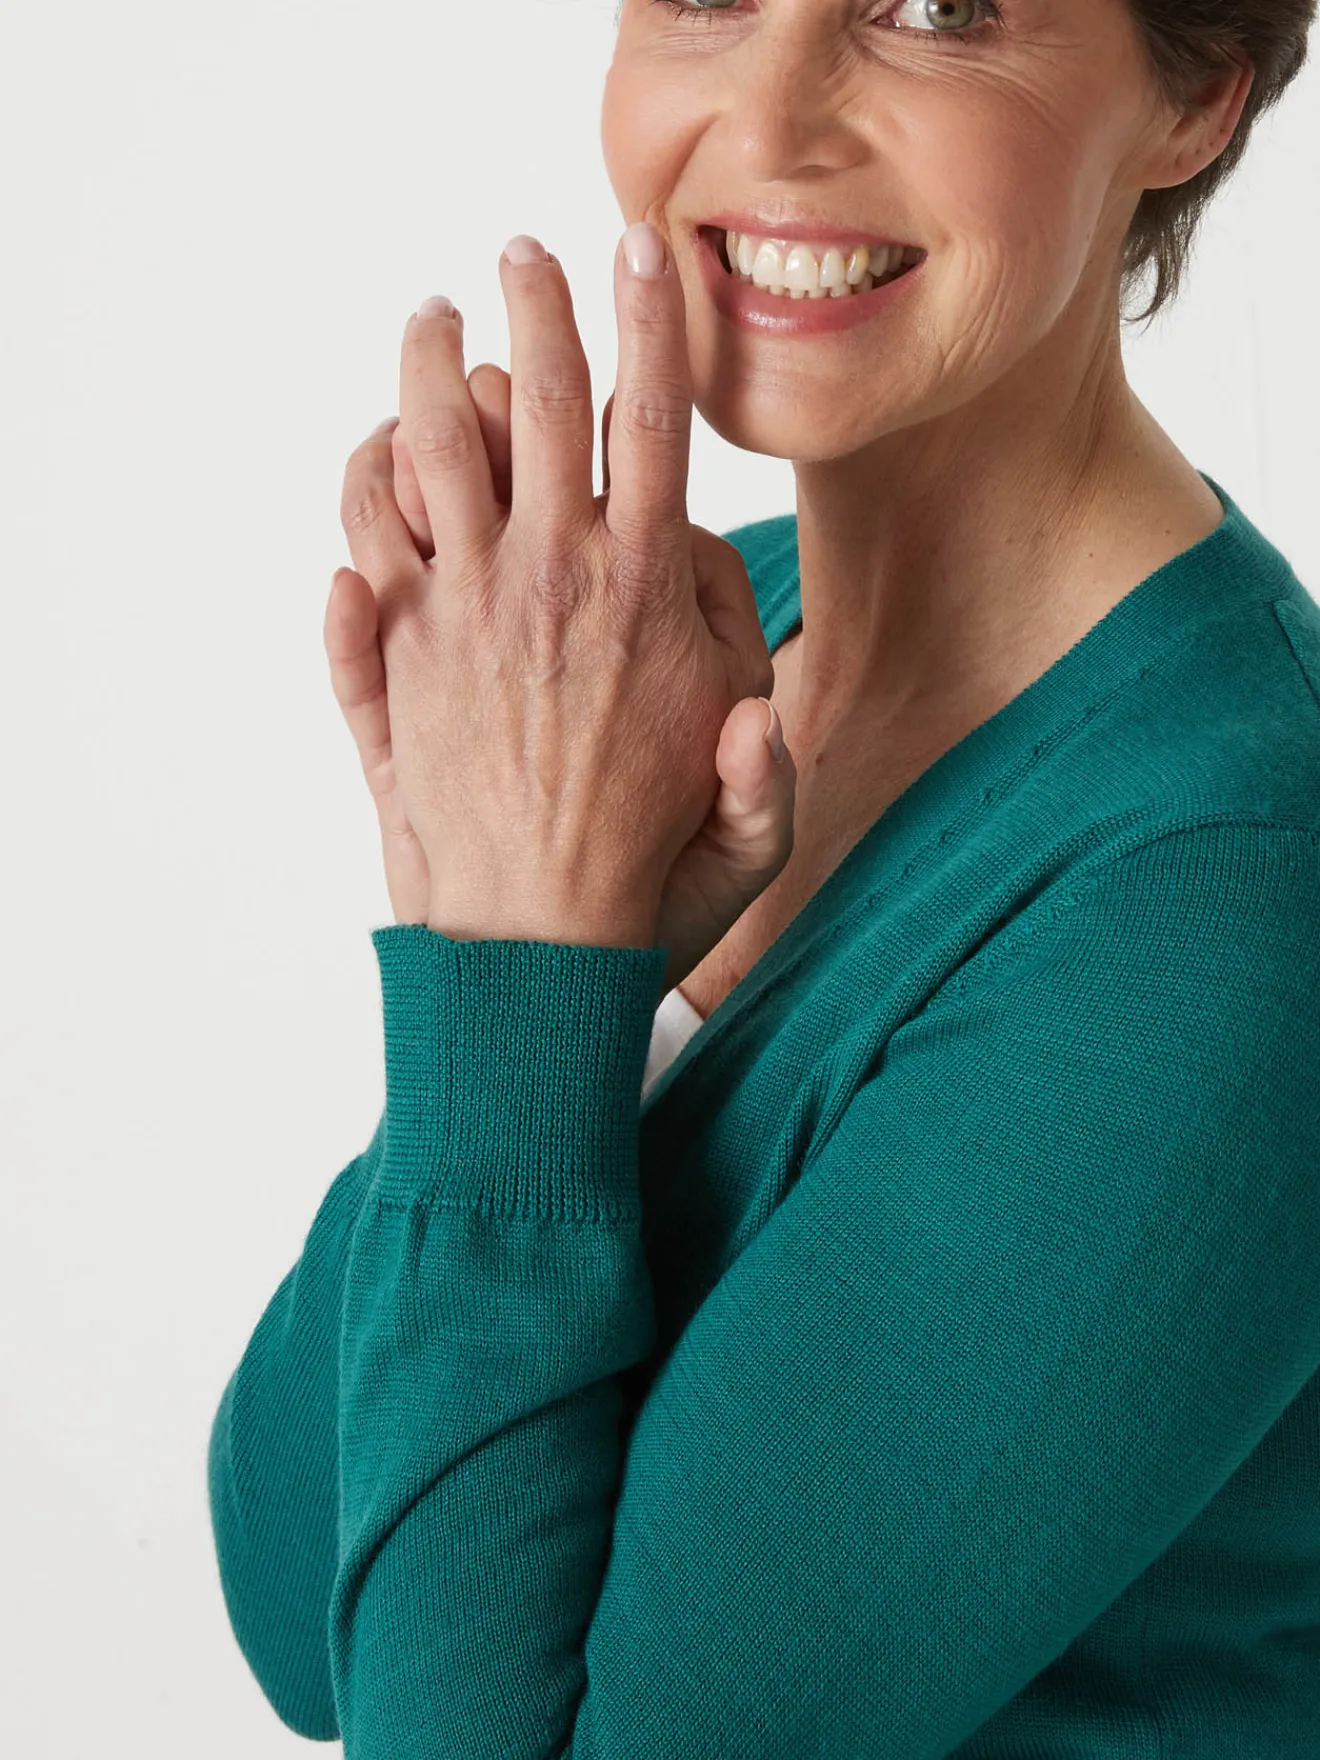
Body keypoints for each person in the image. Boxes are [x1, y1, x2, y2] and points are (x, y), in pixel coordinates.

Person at [207, 2, 1320, 1754]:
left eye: (940, 8)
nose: (774, 112)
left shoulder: (1232, 906)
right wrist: (508, 926)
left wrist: (521, 941)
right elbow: (304, 1593)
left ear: (1195, 96)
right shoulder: (695, 645)